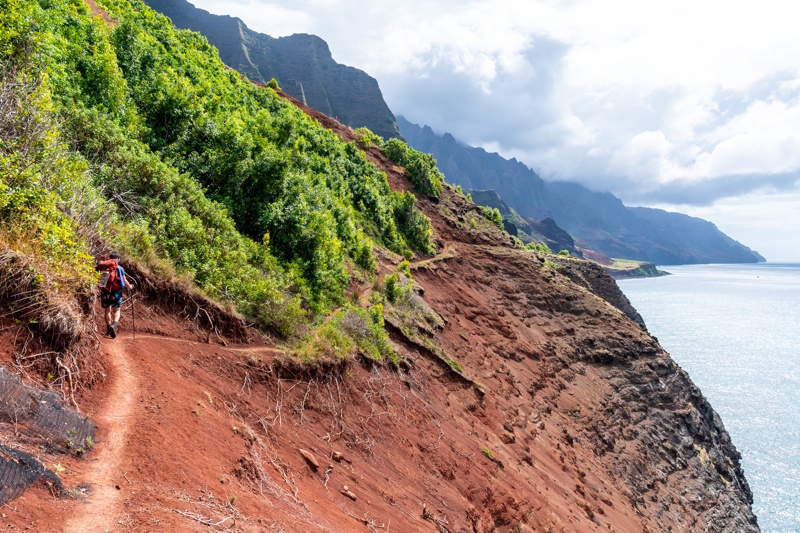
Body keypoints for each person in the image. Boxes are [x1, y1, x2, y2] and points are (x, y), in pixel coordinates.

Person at [96, 252, 133, 338]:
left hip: (105, 291)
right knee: (117, 310)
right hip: (115, 292)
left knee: (107, 310)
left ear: (109, 258)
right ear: (118, 259)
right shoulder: (119, 268)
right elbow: (124, 281)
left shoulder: (104, 266)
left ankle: (108, 330)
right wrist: (130, 287)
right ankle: (114, 325)